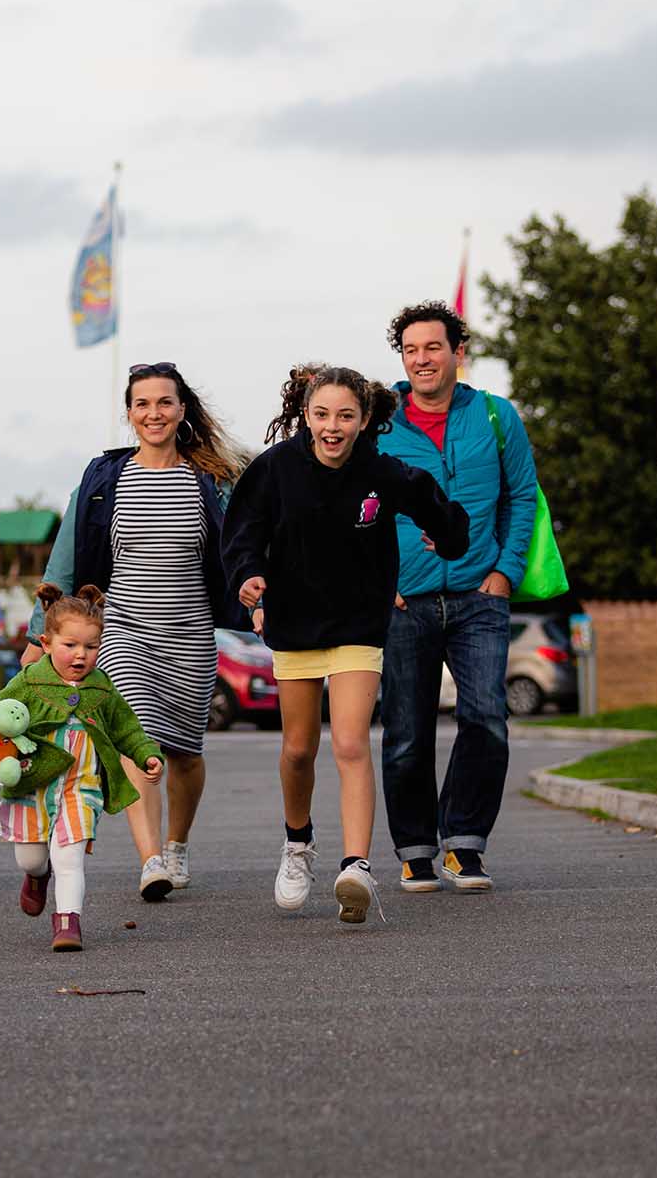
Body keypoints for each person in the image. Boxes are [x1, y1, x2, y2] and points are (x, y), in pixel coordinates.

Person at [222, 364, 471, 924]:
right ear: (305, 415)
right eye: (322, 415)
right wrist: (248, 577)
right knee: (298, 749)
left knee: (352, 743)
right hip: (293, 625)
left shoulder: (382, 472)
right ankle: (297, 845)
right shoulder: (276, 469)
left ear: (364, 420)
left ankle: (356, 866)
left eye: (345, 416)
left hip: (359, 625)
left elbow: (438, 508)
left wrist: (447, 535)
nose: (332, 427)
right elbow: (243, 534)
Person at [25, 362, 248, 901]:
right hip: (123, 630)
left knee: (186, 755)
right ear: (129, 412)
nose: (154, 413)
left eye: (164, 403)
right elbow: (67, 556)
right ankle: (150, 859)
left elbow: (244, 547)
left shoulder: (213, 480)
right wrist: (40, 634)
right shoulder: (104, 479)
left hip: (191, 634)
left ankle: (176, 844)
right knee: (136, 736)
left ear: (181, 410)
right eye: (142, 404)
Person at [375, 301, 538, 895]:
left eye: (433, 347)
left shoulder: (496, 417)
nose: (421, 359)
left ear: (457, 352)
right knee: (407, 730)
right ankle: (417, 849)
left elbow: (522, 497)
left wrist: (505, 572)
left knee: (487, 718)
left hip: (479, 595)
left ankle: (464, 844)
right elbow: (358, 508)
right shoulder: (380, 423)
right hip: (403, 603)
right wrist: (380, 581)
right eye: (411, 349)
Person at [0, 584, 164, 951]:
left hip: (82, 787)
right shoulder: (31, 681)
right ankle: (37, 875)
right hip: (34, 783)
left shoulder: (101, 688)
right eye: (70, 646)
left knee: (70, 854)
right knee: (31, 858)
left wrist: (146, 755)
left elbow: (126, 727)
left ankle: (67, 922)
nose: (80, 655)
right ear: (46, 643)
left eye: (91, 647)